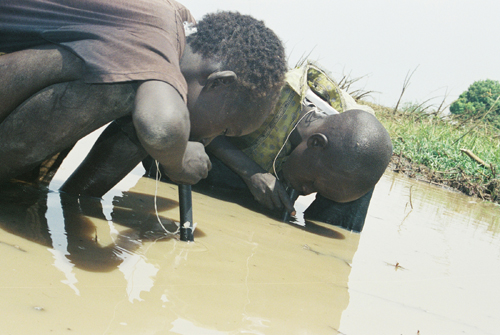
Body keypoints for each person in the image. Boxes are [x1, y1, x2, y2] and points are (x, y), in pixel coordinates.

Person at [0, 1, 287, 191]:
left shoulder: (175, 29)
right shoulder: (157, 34)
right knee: (129, 91)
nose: (211, 140)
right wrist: (177, 161)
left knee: (144, 92)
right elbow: (162, 128)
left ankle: (45, 199)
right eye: (225, 129)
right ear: (218, 84)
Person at [179, 61, 393, 231]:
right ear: (315, 143)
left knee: (358, 174)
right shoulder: (265, 93)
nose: (307, 192)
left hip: (333, 160)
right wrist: (251, 172)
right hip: (234, 164)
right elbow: (194, 116)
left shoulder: (356, 130)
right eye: (312, 183)